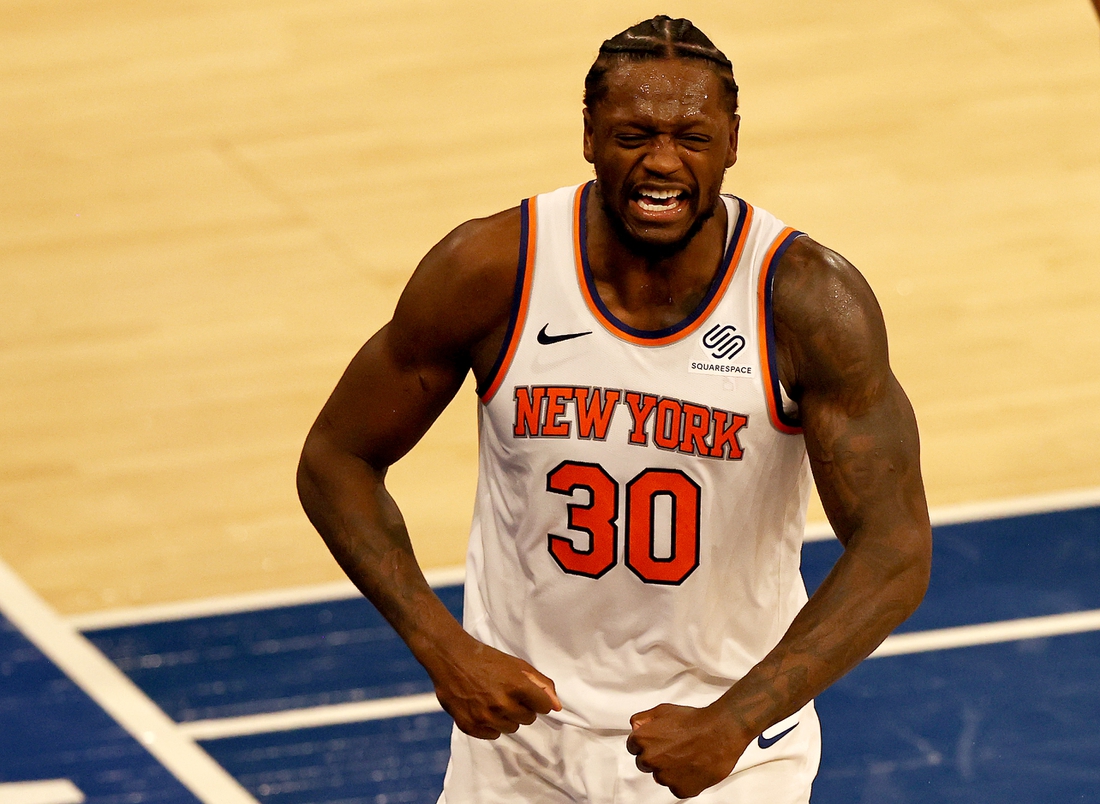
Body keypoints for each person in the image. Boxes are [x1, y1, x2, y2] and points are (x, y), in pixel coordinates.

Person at [298, 15, 932, 803]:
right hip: (520, 747)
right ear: (590, 134)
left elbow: (895, 547)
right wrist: (444, 648)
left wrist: (738, 720)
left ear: (733, 142)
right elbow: (336, 459)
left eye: (692, 138)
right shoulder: (493, 270)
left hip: (727, 754)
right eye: (634, 134)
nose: (662, 162)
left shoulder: (804, 302)